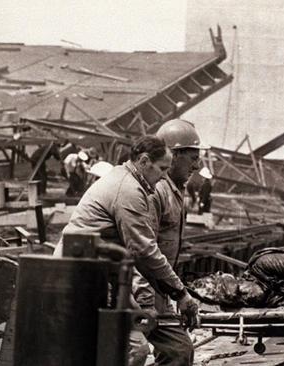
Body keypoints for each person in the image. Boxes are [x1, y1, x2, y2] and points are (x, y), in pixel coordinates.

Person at [57, 136, 200, 366]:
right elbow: (143, 250)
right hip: (81, 276)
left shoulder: (130, 181)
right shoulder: (129, 190)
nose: (164, 175)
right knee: (133, 351)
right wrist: (180, 294)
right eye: (162, 168)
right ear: (144, 161)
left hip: (103, 274)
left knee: (166, 348)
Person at [129, 119, 209, 366]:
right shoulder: (157, 191)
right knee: (135, 353)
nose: (197, 165)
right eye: (192, 158)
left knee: (178, 352)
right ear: (173, 156)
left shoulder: (177, 190)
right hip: (139, 292)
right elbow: (141, 251)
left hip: (160, 291)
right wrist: (145, 302)